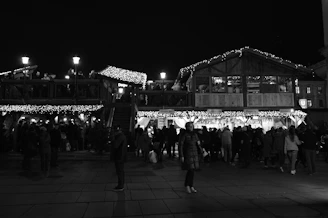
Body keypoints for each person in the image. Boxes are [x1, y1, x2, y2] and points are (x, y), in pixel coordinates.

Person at [179, 122, 202, 194]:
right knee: (190, 170)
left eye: (192, 126)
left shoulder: (195, 135)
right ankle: (188, 185)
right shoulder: (184, 135)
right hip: (188, 154)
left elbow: (198, 144)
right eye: (189, 126)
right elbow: (181, 145)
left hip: (194, 154)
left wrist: (201, 150)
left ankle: (190, 185)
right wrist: (182, 155)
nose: (191, 127)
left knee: (192, 170)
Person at [112, 125, 127, 191]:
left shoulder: (120, 137)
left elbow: (115, 145)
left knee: (119, 171)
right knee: (120, 171)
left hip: (119, 156)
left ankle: (120, 185)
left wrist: (113, 139)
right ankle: (120, 185)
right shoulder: (122, 136)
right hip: (121, 155)